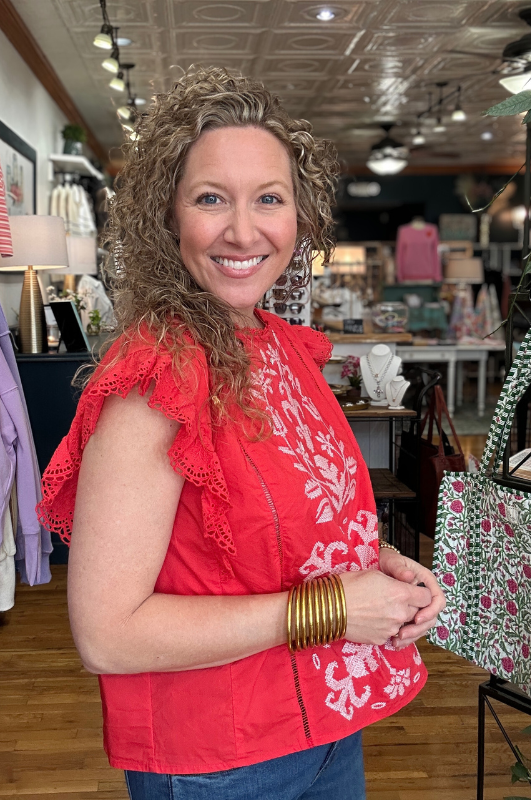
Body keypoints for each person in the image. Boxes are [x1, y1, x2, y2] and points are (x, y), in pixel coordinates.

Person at [38, 66, 445, 800]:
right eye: (210, 199)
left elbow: (295, 521)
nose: (242, 230)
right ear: (169, 218)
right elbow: (107, 635)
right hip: (222, 762)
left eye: (269, 199)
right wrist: (335, 610)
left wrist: (384, 569)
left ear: (301, 218)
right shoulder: (154, 378)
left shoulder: (284, 347)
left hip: (325, 726)